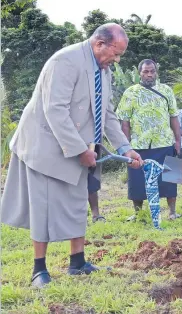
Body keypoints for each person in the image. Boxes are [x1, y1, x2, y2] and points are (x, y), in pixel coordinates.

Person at [0, 23, 143, 288]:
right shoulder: (65, 61)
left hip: (79, 144)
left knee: (78, 202)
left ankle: (77, 263)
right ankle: (38, 270)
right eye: (116, 52)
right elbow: (55, 110)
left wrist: (125, 148)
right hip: (44, 144)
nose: (117, 59)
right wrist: (79, 150)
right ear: (99, 43)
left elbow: (107, 114)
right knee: (42, 207)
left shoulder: (105, 70)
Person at [116, 59, 182, 221]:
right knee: (137, 180)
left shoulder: (166, 90)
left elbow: (174, 116)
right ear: (140, 73)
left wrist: (178, 140)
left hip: (165, 141)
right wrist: (126, 146)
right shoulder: (130, 92)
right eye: (146, 71)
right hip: (139, 145)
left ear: (156, 72)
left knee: (169, 178)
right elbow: (125, 122)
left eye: (152, 71)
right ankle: (138, 213)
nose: (149, 74)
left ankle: (172, 212)